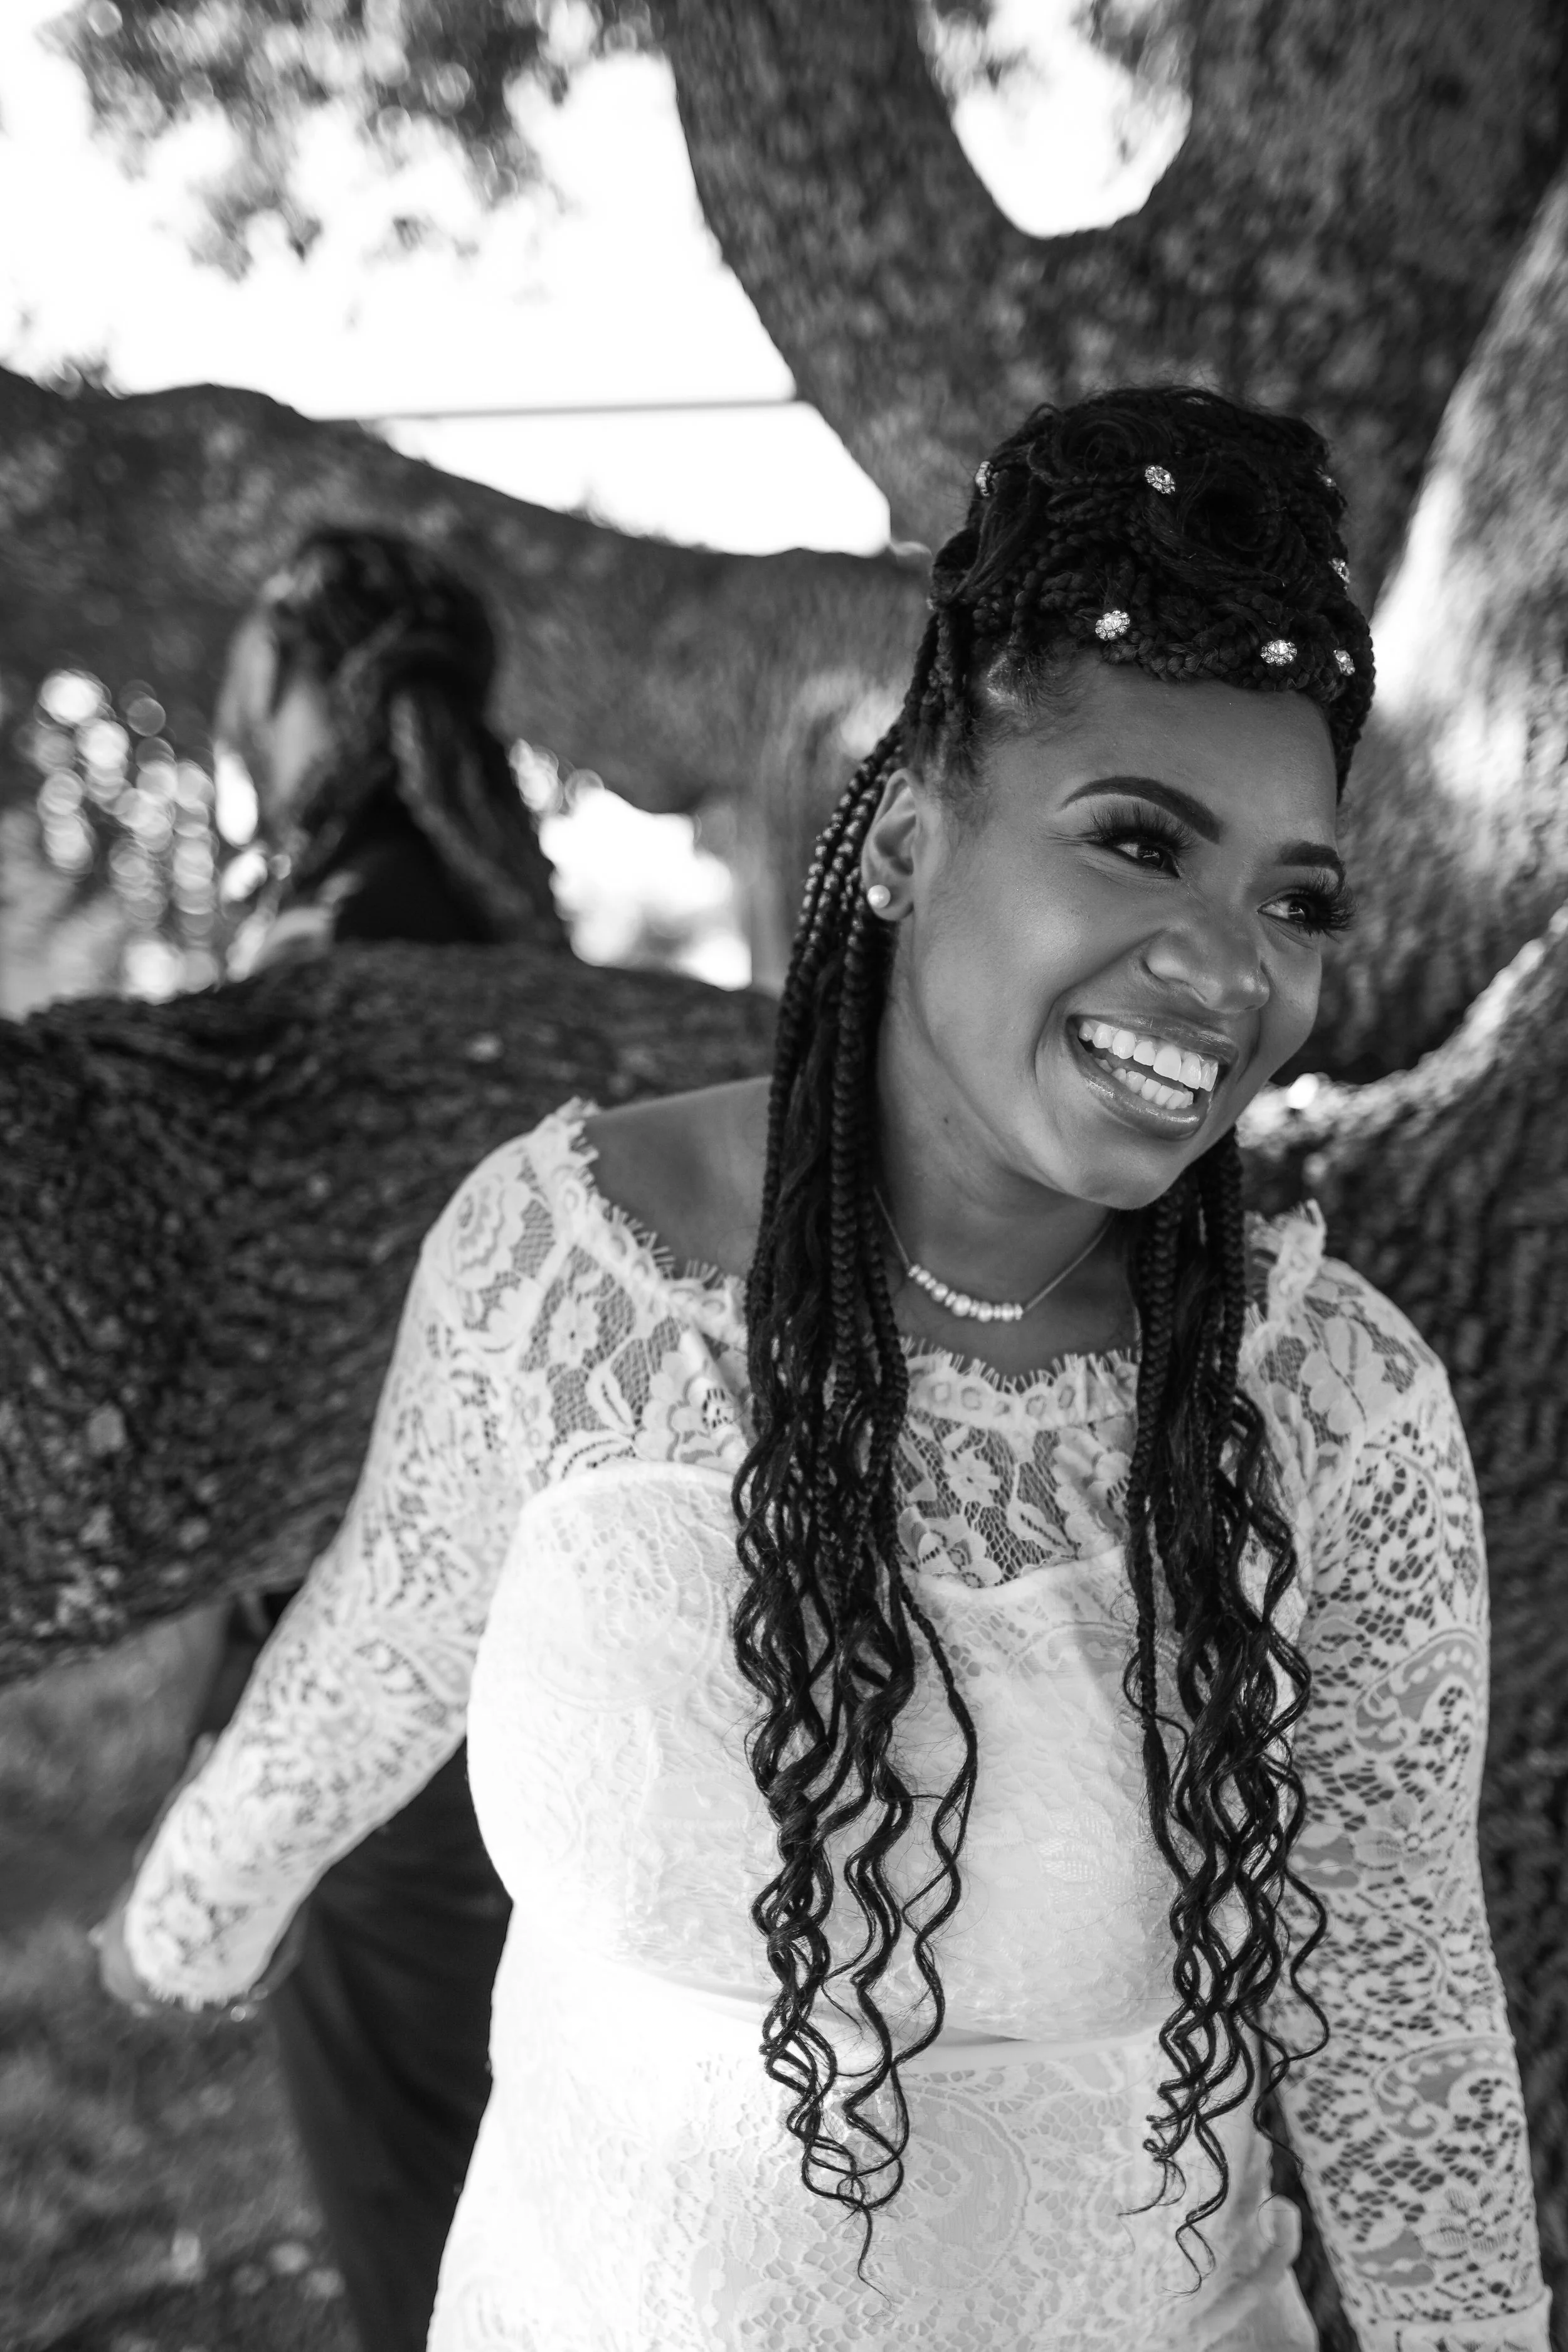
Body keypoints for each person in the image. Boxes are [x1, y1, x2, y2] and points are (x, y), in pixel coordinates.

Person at [99, 391, 1550, 2350]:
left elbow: (1389, 2013)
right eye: (1137, 841)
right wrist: (188, 1915)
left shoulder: (1327, 1413)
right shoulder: (561, 1261)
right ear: (906, 844)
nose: (1229, 970)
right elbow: (396, 1619)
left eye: (1292, 898)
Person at [185, 528, 566, 2352]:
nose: (229, 721)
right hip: (532, 1645)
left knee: (421, 2202)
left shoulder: (333, 947)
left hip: (376, 1667)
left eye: (245, 684)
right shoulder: (504, 934)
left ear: (300, 684)